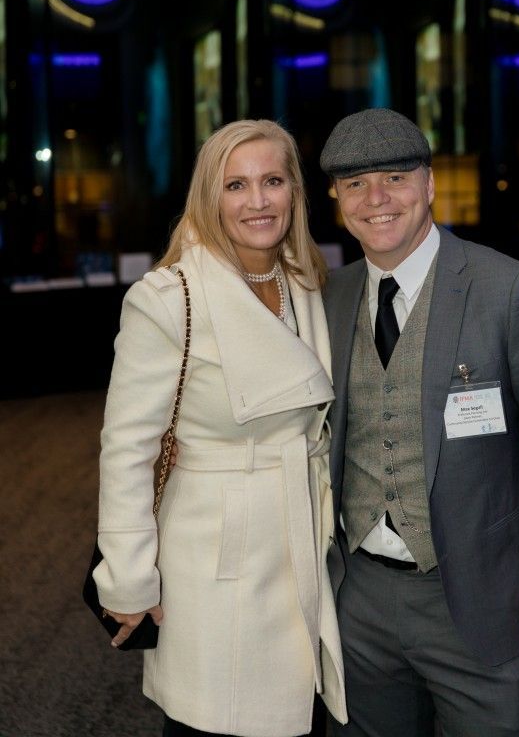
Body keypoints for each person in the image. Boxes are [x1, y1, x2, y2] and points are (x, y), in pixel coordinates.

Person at [318, 107, 519, 737]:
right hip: (359, 599)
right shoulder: (329, 298)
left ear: (429, 184)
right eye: (356, 184)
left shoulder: (509, 291)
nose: (376, 199)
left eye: (395, 178)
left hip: (481, 596)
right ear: (336, 198)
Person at [93, 119, 347, 737]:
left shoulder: (305, 283)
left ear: (295, 192)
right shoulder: (168, 297)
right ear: (210, 196)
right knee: (215, 721)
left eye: (272, 181)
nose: (257, 201)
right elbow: (127, 449)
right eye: (236, 185)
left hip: (302, 541)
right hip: (215, 557)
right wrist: (128, 577)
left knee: (301, 716)